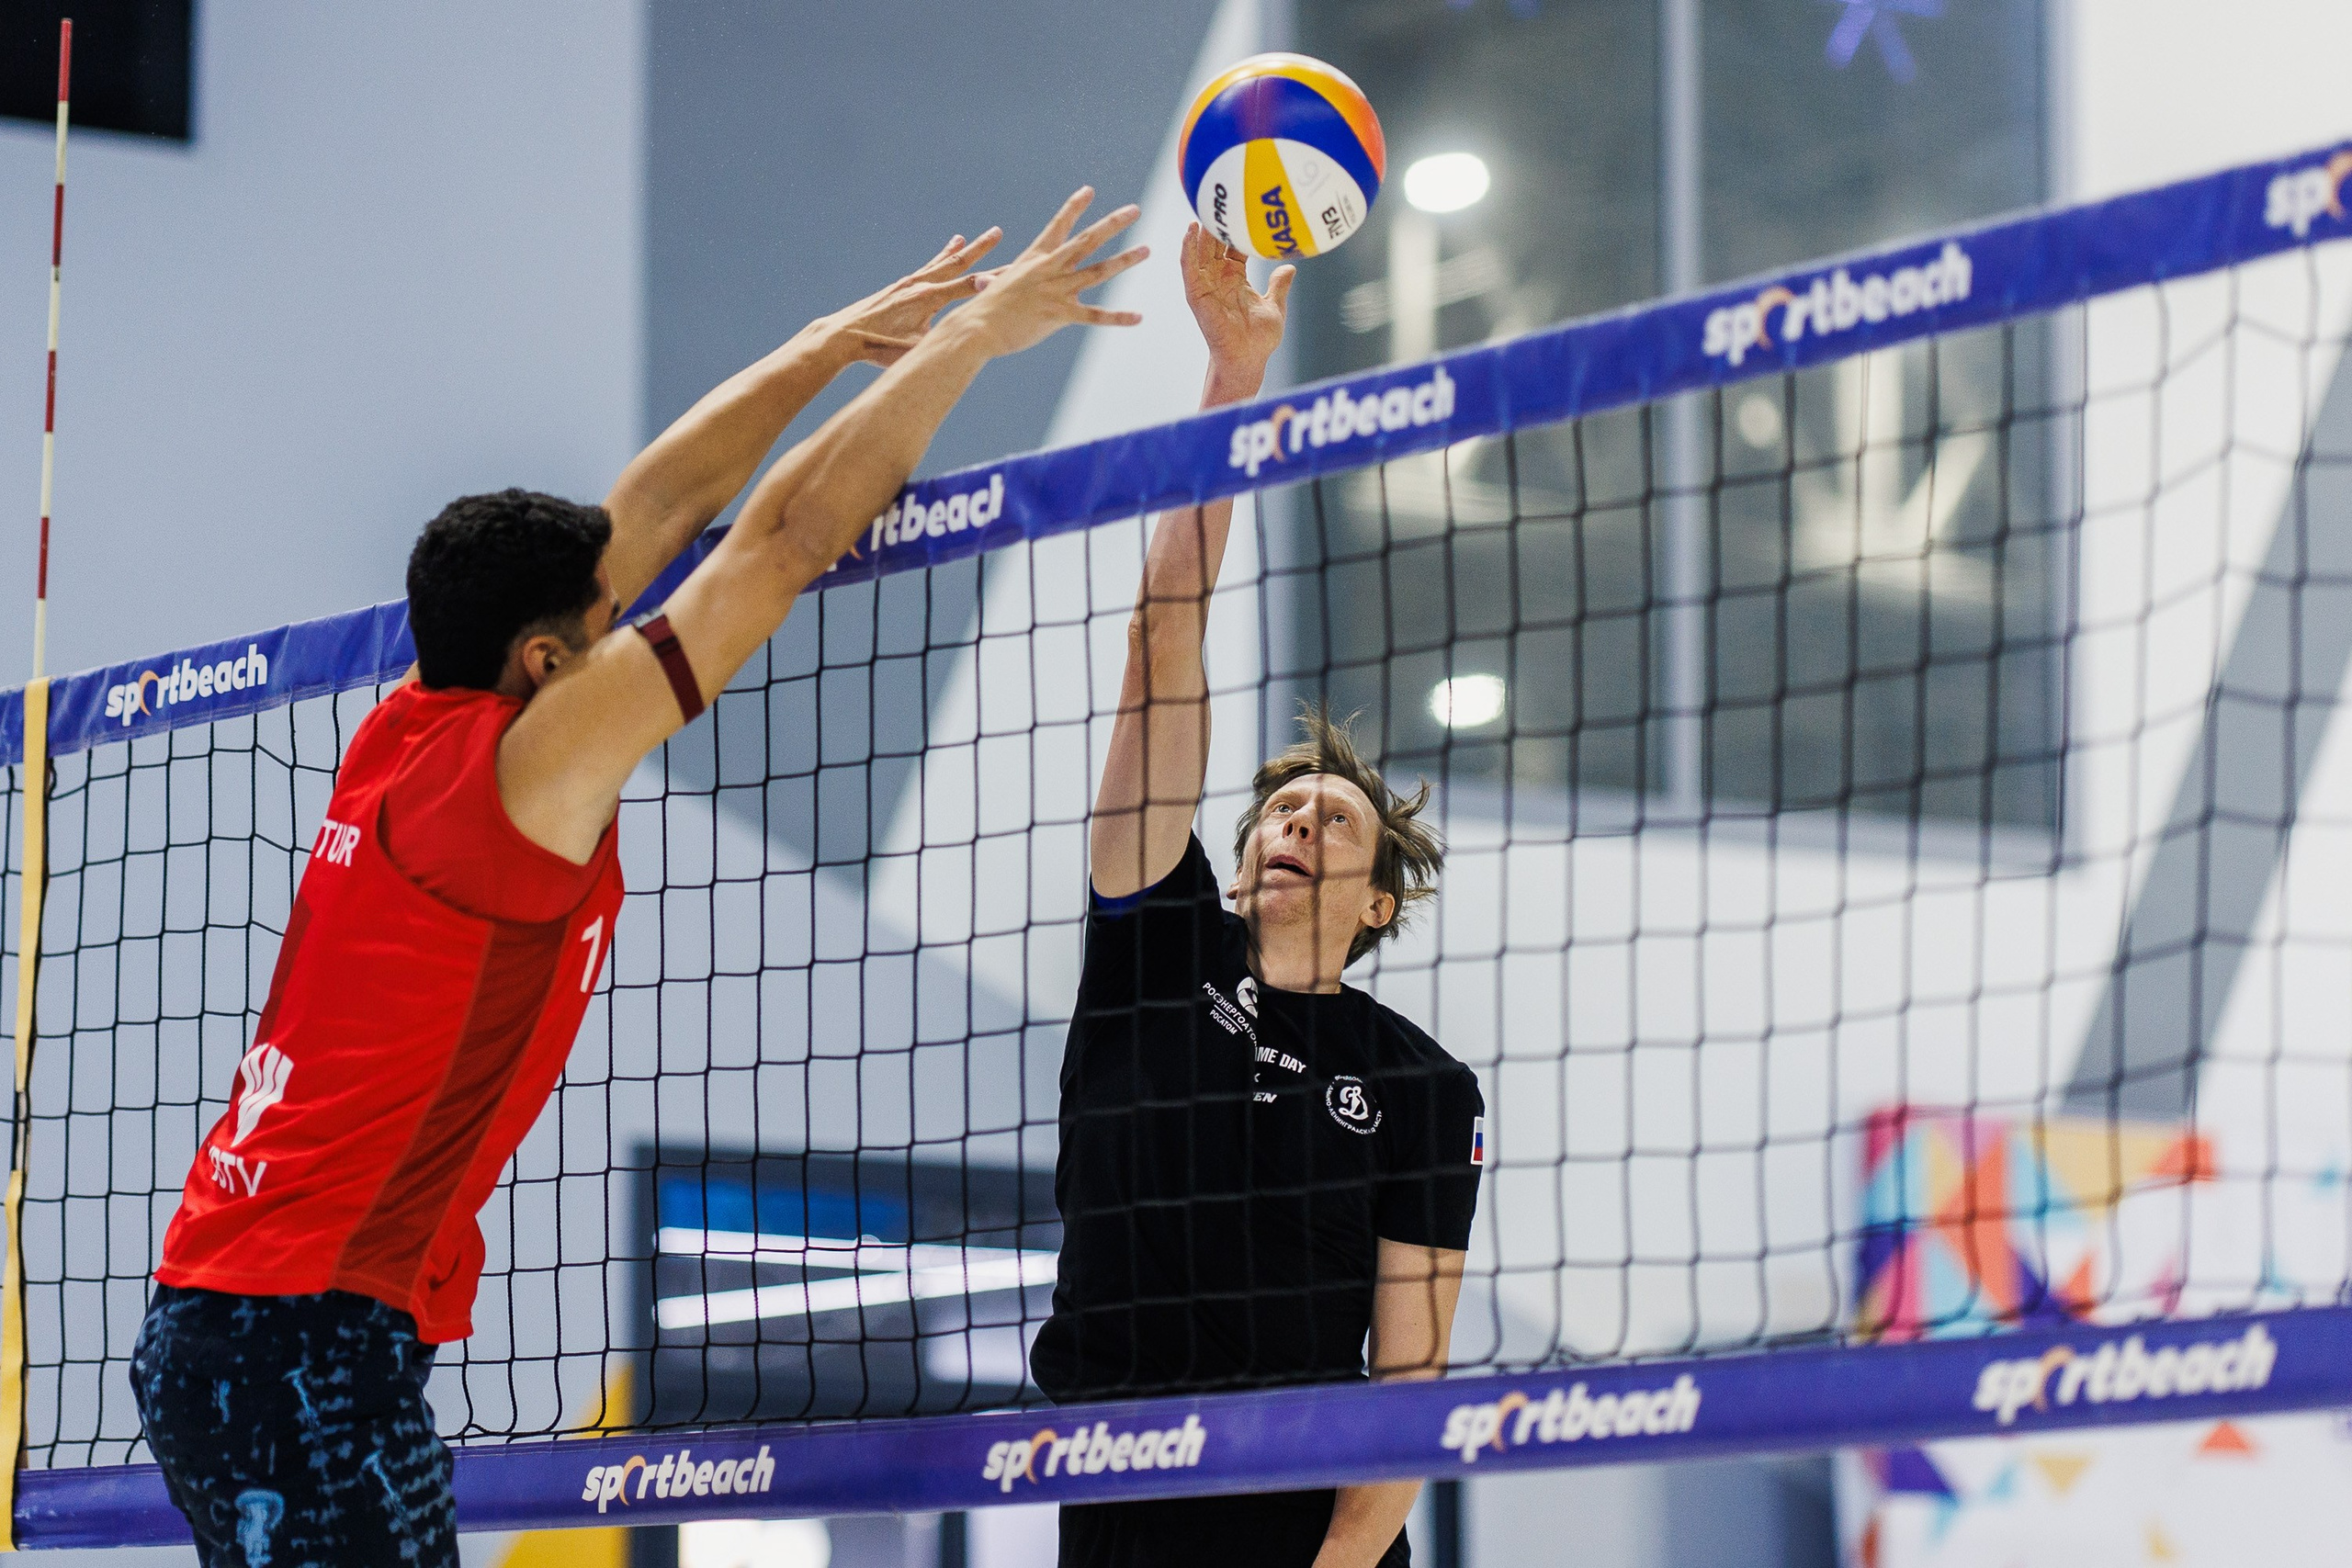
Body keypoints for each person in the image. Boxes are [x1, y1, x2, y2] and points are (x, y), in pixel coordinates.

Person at [130, 188, 1148, 1568]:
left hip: (236, 1313)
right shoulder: (523, 775)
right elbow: (775, 546)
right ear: (546, 667)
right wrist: (973, 336)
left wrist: (833, 340)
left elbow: (659, 504)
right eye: (602, 626)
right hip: (301, 1338)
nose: (622, 621)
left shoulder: (408, 724)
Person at [1029, 225, 1486, 1568]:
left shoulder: (1424, 1086)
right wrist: (1233, 382)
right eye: (1278, 809)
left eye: (1332, 819)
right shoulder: (1160, 945)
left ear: (1378, 904)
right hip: (1117, 1495)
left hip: (1308, 1531)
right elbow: (1158, 640)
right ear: (1235, 868)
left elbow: (1412, 1376)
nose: (1295, 820)